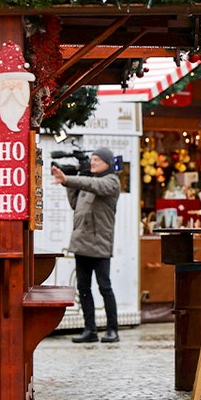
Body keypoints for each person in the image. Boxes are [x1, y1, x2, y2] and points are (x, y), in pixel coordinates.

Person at [52, 147, 122, 344]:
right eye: (92, 159)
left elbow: (93, 185)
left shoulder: (111, 181)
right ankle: (90, 330)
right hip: (81, 242)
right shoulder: (88, 181)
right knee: (83, 288)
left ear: (108, 163)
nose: (93, 162)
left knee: (104, 286)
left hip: (100, 243)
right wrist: (68, 182)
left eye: (97, 159)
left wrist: (69, 179)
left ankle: (112, 330)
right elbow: (75, 204)